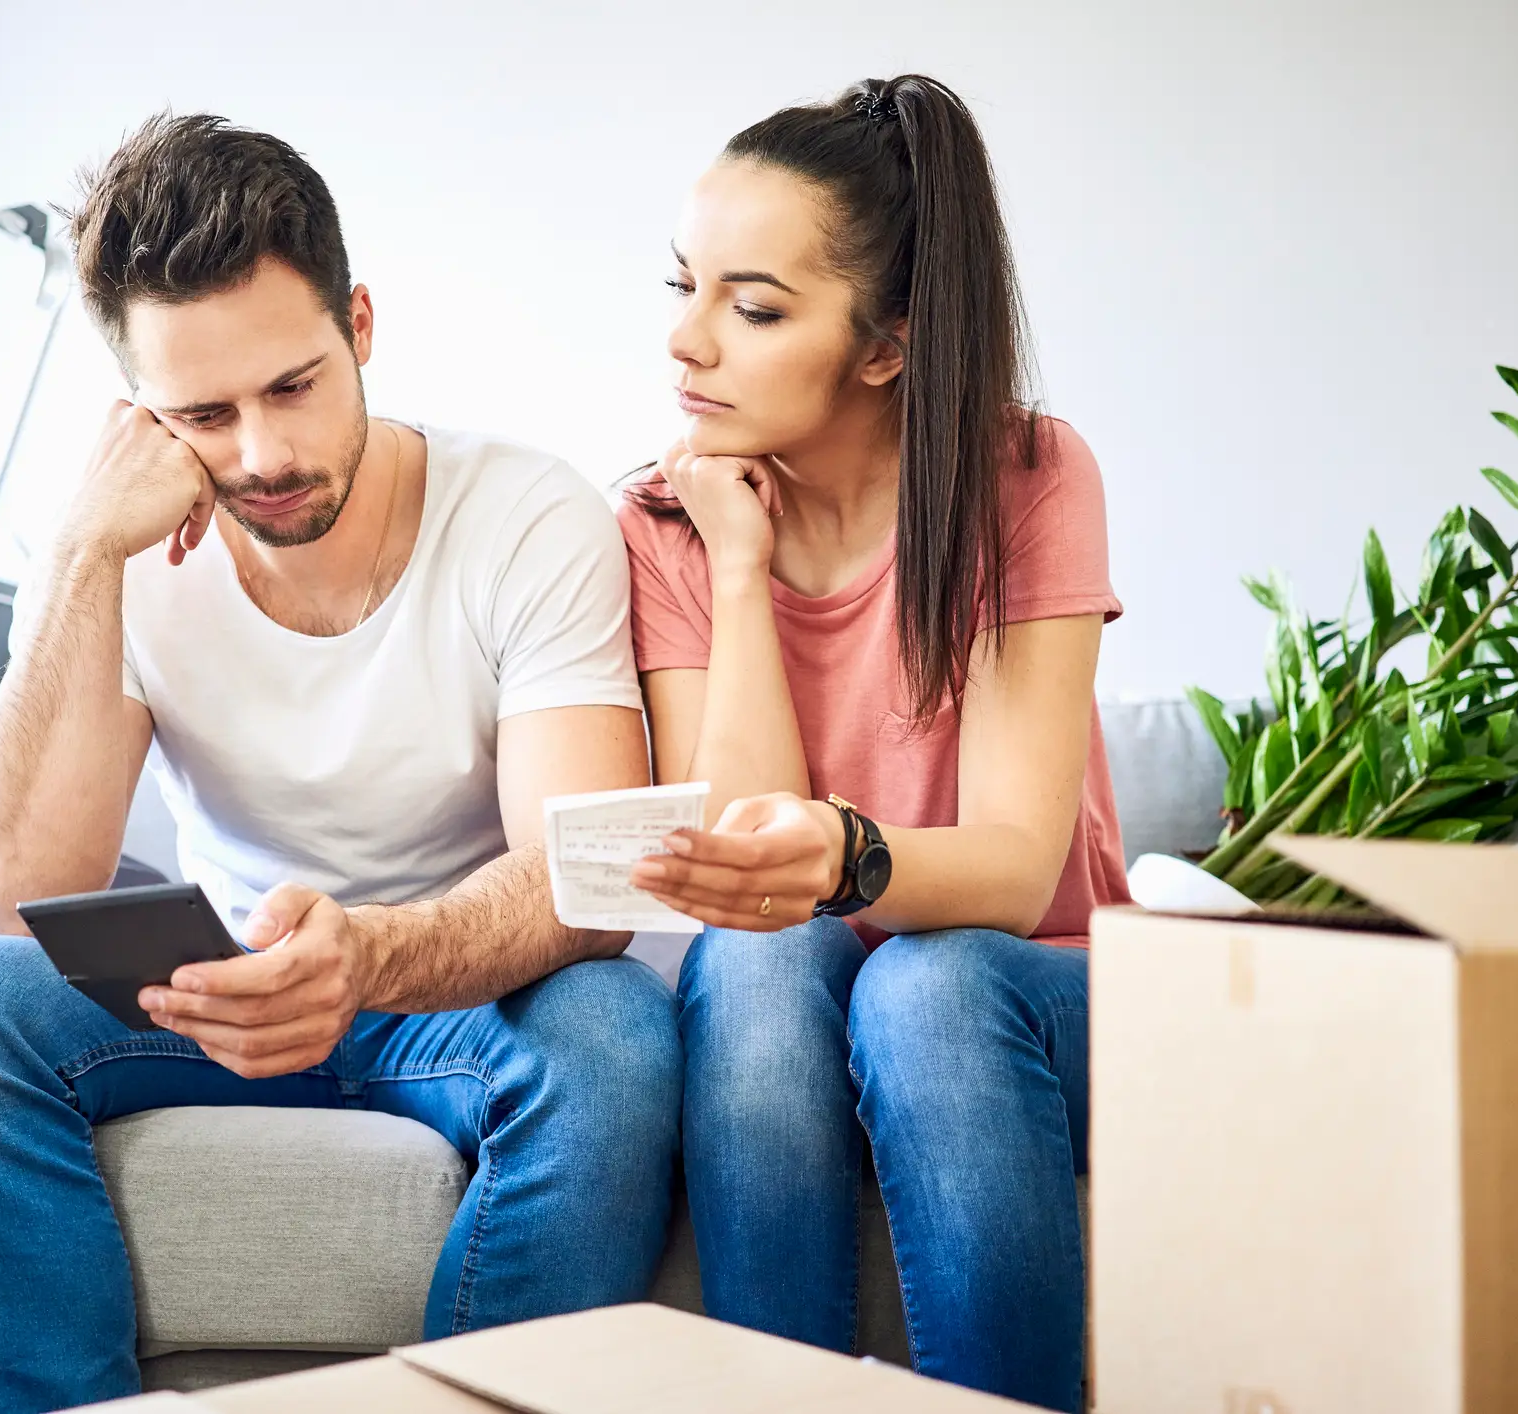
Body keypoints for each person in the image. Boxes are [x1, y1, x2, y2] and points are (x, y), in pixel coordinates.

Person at [0, 114, 681, 1414]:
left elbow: (587, 884)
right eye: (202, 415)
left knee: (619, 1032)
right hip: (215, 984)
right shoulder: (115, 549)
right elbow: (14, 895)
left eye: (292, 385)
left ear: (358, 322)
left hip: (451, 990)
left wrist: (368, 955)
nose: (261, 455)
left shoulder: (528, 515)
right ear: (141, 414)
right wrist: (81, 555)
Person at [616, 75, 1126, 1411]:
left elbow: (1017, 872)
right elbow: (741, 869)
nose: (688, 343)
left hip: (1040, 990)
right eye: (683, 285)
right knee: (755, 960)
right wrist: (739, 569)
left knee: (929, 986)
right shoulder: (669, 523)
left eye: (754, 306)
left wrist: (837, 850)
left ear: (887, 342)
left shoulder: (1027, 477)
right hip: (800, 984)